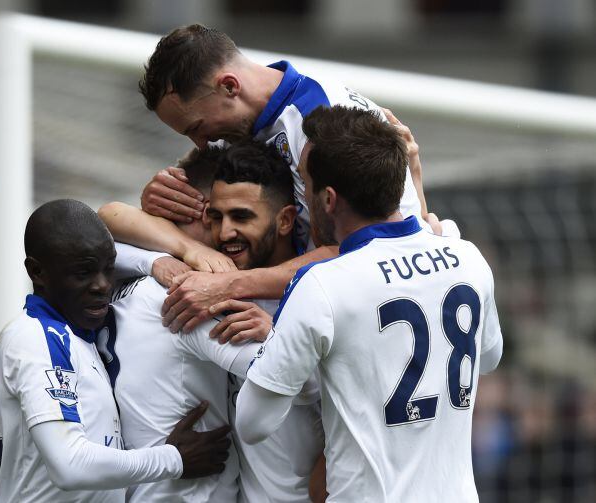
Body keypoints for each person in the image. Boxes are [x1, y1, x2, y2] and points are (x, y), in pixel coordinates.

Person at [235, 106, 503, 502]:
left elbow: (253, 423)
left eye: (305, 184)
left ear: (327, 198)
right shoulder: (467, 259)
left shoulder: (322, 287)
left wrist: (278, 344)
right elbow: (491, 358)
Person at [136, 24, 443, 333]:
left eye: (196, 127)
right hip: (313, 315)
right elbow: (119, 219)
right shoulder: (241, 128)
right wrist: (157, 200)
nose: (201, 143)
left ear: (229, 87)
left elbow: (367, 250)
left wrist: (232, 286)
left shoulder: (323, 123)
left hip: (376, 321)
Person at [100, 142, 323, 502]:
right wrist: (160, 259)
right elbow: (103, 224)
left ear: (284, 220)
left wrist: (279, 341)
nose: (224, 233)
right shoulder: (204, 290)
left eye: (242, 217)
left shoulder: (316, 297)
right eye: (215, 217)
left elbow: (345, 392)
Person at [0, 199, 231, 503]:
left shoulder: (79, 336)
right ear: (37, 272)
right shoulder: (36, 337)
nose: (103, 286)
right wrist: (173, 459)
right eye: (84, 273)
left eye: (109, 270)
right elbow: (70, 466)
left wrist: (153, 262)